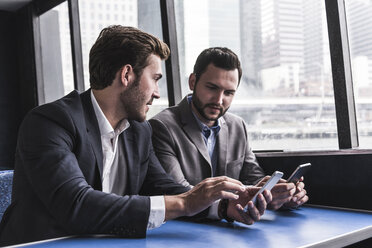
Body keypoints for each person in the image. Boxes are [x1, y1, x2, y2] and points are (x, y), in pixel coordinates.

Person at [0, 27, 272, 246]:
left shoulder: (139, 131)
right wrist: (185, 202)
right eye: (155, 78)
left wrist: (224, 206)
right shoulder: (49, 122)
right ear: (127, 74)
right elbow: (77, 204)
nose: (157, 92)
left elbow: (163, 188)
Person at [149, 47, 308, 211]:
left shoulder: (238, 126)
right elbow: (180, 193)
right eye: (212, 88)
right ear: (192, 82)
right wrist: (234, 203)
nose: (219, 100)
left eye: (228, 93)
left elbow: (254, 179)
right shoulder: (162, 127)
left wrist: (278, 196)